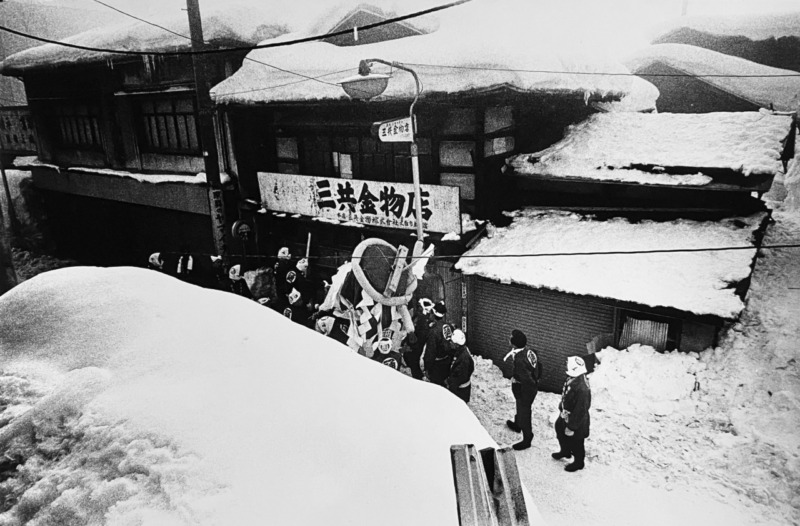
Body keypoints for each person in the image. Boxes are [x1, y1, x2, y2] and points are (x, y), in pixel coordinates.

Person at [503, 329, 543, 451]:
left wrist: (524, 393)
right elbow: (539, 366)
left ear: (514, 344)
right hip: (526, 387)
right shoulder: (529, 351)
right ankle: (518, 424)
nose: (509, 338)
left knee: (524, 411)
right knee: (520, 407)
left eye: (511, 338)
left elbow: (528, 381)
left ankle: (527, 438)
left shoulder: (520, 360)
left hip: (525, 390)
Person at [552, 356, 592, 472]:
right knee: (559, 429)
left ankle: (579, 462)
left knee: (577, 442)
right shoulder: (574, 378)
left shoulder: (582, 389)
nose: (565, 365)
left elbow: (580, 410)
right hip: (566, 414)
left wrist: (571, 427)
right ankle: (565, 451)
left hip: (576, 420)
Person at [403, 298, 436, 380]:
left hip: (415, 347)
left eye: (419, 307)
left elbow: (420, 337)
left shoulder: (423, 321)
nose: (418, 309)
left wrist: (410, 347)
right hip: (414, 345)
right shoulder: (420, 317)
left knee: (414, 365)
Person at [423, 301, 453, 387]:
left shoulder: (434, 331)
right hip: (447, 360)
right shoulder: (449, 326)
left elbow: (430, 351)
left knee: (437, 385)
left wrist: (427, 367)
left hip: (437, 365)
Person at [445, 329, 474, 404]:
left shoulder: (463, 359)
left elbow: (459, 377)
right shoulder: (461, 352)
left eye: (451, 342)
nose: (450, 343)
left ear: (456, 345)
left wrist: (450, 383)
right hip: (461, 388)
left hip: (460, 391)